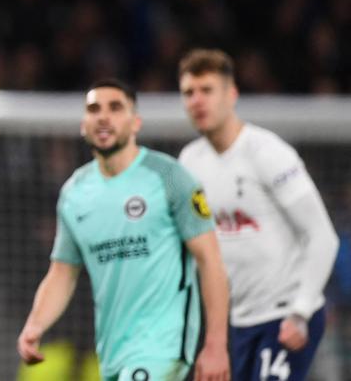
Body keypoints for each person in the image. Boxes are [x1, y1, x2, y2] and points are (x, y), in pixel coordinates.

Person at [17, 79, 231, 381]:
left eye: (115, 108)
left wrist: (215, 344)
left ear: (135, 123)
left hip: (163, 346)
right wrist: (35, 325)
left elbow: (210, 260)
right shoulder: (75, 193)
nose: (103, 116)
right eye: (94, 109)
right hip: (112, 352)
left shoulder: (170, 177)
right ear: (83, 125)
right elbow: (63, 272)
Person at [177, 49, 338, 381]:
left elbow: (323, 235)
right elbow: (199, 252)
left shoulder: (267, 153)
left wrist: (301, 311)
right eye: (189, 93)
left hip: (284, 315)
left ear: (231, 94)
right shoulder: (189, 163)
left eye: (207, 90)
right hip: (237, 320)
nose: (197, 101)